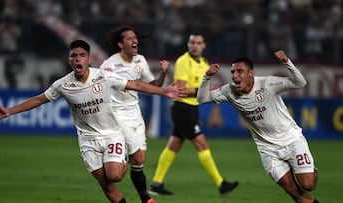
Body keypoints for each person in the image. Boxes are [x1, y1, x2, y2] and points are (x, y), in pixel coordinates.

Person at [0, 40, 182, 203]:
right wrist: (9, 111)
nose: (77, 58)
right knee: (106, 184)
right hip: (87, 140)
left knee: (114, 175)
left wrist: (163, 91)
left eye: (81, 55)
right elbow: (39, 99)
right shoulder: (63, 84)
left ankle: (124, 155)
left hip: (112, 134)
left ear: (88, 59)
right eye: (74, 56)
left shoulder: (103, 76)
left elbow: (134, 84)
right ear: (69, 60)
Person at [197, 50, 319, 203]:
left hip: (292, 140)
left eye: (240, 71)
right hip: (267, 149)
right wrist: (206, 77)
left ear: (251, 73)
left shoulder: (268, 84)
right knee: (293, 191)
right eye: (233, 72)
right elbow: (202, 99)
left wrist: (287, 62)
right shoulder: (229, 91)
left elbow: (300, 82)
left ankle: (310, 169)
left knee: (308, 185)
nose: (235, 76)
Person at [149, 32, 239, 196]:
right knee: (202, 144)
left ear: (203, 45)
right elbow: (181, 91)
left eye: (198, 43)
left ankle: (156, 184)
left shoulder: (204, 62)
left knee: (174, 145)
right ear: (188, 45)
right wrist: (206, 90)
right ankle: (221, 183)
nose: (195, 46)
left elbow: (201, 91)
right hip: (183, 108)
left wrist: (207, 91)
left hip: (192, 108)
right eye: (192, 43)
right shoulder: (183, 61)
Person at [100, 25, 169, 203]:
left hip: (135, 115)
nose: (135, 40)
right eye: (130, 38)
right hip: (118, 115)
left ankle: (116, 162)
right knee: (134, 159)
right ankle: (145, 198)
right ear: (120, 44)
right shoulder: (109, 65)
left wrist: (162, 74)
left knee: (139, 161)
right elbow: (99, 87)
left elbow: (153, 85)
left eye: (135, 37)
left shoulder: (140, 61)